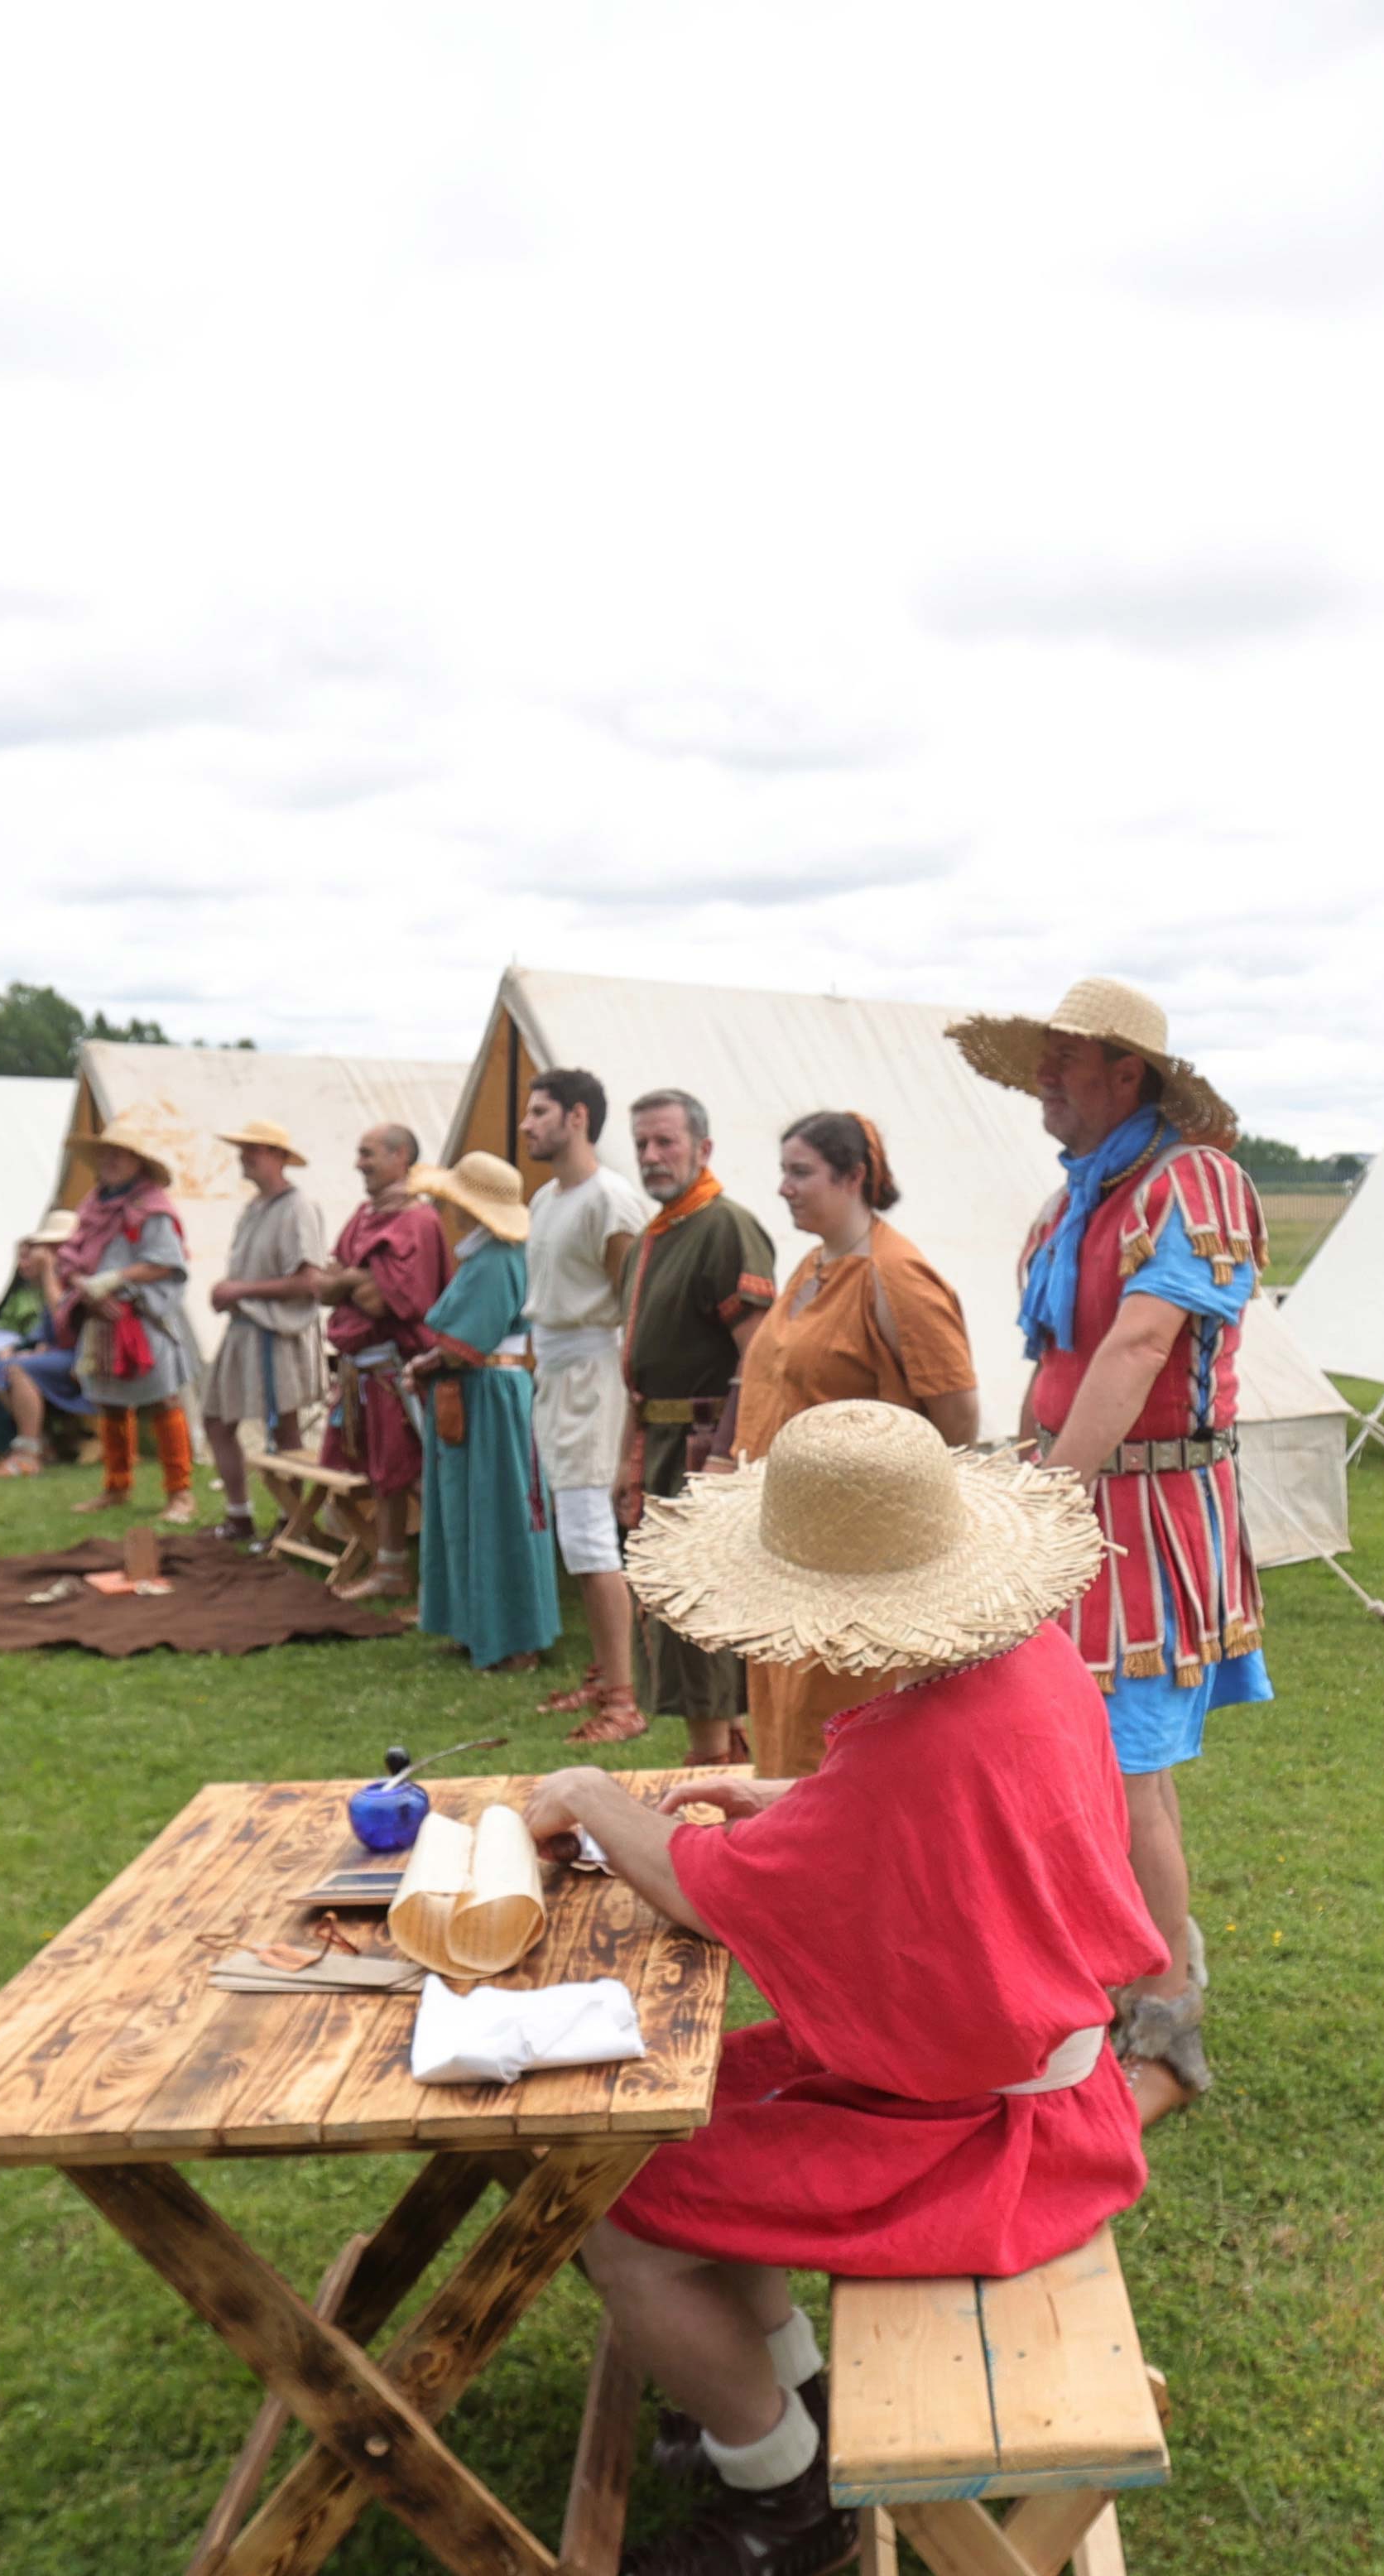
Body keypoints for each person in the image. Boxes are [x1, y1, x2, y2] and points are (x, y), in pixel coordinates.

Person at [527, 1401, 1160, 2576]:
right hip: (1039, 2092)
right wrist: (792, 1805)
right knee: (698, 2103)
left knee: (610, 2209)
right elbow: (945, 1826)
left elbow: (706, 1883)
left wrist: (592, 1797)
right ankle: (788, 2387)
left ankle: (782, 2494)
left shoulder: (920, 1752)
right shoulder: (1032, 1661)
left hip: (996, 2147)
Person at [950, 975, 1270, 2123]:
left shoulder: (1193, 1180)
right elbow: (1066, 1365)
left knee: (1128, 1774)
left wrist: (1051, 1497)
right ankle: (1108, 1976)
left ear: (1125, 1073)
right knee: (1082, 1766)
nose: (1043, 1076)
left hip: (1139, 1523)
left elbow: (1140, 1345)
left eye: (1064, 1059)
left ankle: (1168, 2031)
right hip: (1078, 1509)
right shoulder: (1077, 1198)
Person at [726, 1111, 978, 1779]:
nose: (784, 1187)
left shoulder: (896, 1278)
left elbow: (956, 1416)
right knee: (782, 1715)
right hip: (787, 1547)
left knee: (838, 1731)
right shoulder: (812, 1265)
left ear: (853, 1176)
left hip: (857, 1561)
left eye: (800, 1172)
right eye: (784, 1170)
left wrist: (883, 1504)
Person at [613, 1087, 776, 1762]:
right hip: (661, 1444)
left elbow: (759, 1357)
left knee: (702, 1610)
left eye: (666, 1142)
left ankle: (714, 1763)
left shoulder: (723, 1226)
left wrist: (722, 1457)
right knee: (673, 1612)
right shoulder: (656, 1237)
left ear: (702, 1148)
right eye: (642, 1145)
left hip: (703, 1448)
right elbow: (639, 1373)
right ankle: (716, 1749)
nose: (652, 1157)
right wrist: (628, 1463)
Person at [517, 1069, 653, 1733]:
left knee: (592, 1538)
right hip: (557, 1375)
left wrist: (627, 1411)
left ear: (576, 1117)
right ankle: (604, 1676)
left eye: (539, 1112)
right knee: (576, 1538)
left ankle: (624, 1701)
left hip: (594, 1377)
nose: (526, 1124)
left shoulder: (612, 1200)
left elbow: (630, 1310)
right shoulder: (545, 1199)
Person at [407, 1151, 560, 1671]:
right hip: (479, 1394)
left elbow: (466, 1343)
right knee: (472, 1509)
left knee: (500, 1512)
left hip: (490, 1397)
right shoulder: (490, 1254)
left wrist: (426, 1364)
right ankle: (479, 1627)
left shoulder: (497, 1259)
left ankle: (513, 1638)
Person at [315, 1122, 452, 1598]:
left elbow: (389, 1302)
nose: (359, 1163)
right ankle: (391, 1570)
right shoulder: (363, 1215)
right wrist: (356, 1280)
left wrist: (348, 1284)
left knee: (416, 1475)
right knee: (383, 1477)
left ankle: (450, 1575)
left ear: (400, 1157)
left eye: (368, 1153)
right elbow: (324, 1285)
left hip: (400, 1371)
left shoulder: (417, 1221)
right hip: (364, 1373)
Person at [49, 1110, 203, 1521]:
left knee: (162, 1400)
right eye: (107, 1155)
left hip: (143, 1318)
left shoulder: (152, 1208)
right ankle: (116, 1487)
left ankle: (180, 1494)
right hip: (100, 1318)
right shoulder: (92, 1205)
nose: (111, 1162)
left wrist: (116, 1280)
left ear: (138, 1163)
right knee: (110, 1402)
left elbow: (166, 1263)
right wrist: (86, 1288)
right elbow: (71, 1256)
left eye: (121, 1155)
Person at [197, 1119, 330, 1544]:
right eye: (244, 1148)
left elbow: (310, 1280)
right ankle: (239, 1516)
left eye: (255, 1148)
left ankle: (291, 1526)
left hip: (277, 1336)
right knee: (216, 1420)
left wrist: (241, 1289)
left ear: (278, 1157)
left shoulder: (298, 1208)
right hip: (246, 1331)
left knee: (284, 1429)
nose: (244, 1155)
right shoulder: (255, 1207)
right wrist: (233, 1293)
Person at [0, 1209, 93, 1473]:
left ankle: (27, 1453)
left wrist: (49, 1270)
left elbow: (63, 1317)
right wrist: (34, 1348)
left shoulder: (79, 1274)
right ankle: (43, 1441)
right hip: (63, 1353)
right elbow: (48, 1330)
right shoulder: (58, 1277)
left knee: (19, 1369)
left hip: (88, 1355)